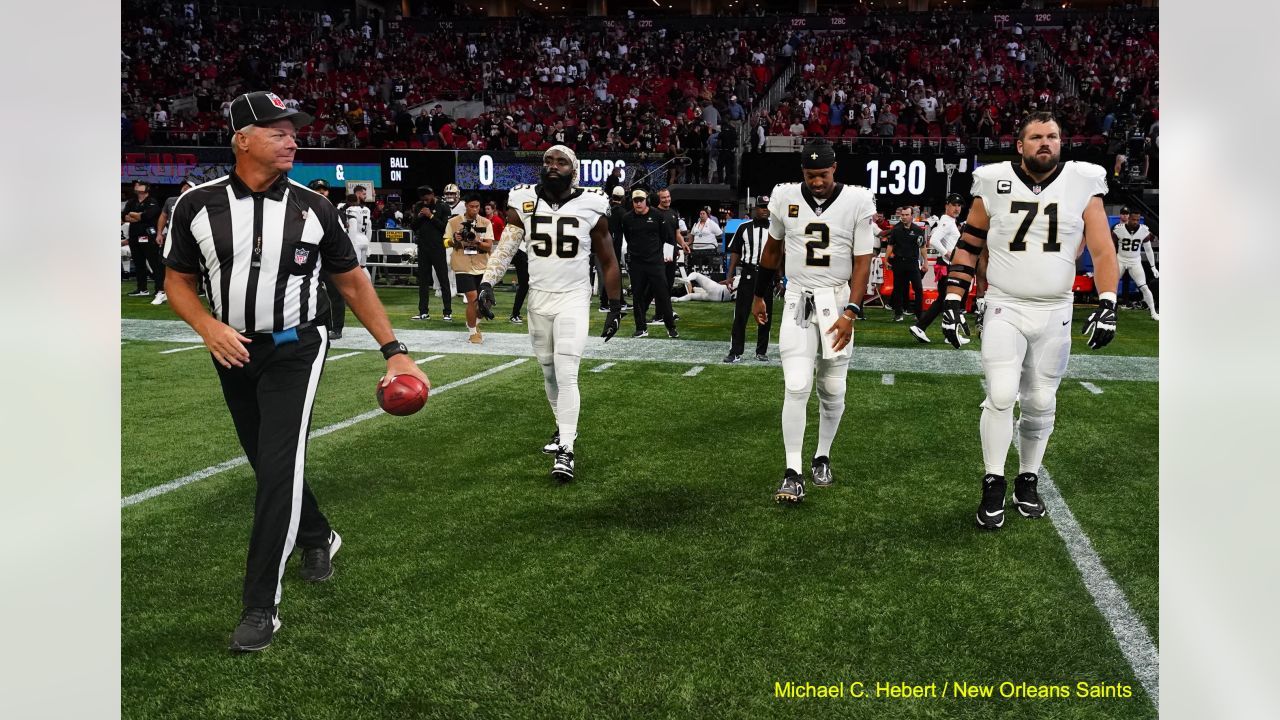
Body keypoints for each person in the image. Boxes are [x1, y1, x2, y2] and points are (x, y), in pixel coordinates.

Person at [161, 91, 429, 651]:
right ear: (242, 139)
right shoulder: (197, 205)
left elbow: (352, 280)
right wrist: (208, 328)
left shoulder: (313, 206)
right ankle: (318, 534)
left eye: (293, 131)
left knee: (279, 467)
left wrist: (394, 349)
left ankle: (261, 606)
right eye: (278, 131)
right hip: (230, 349)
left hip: (297, 347)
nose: (293, 139)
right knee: (266, 461)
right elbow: (177, 280)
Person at [934, 111, 1120, 530]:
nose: (1045, 143)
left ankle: (1028, 479)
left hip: (1056, 309)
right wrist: (952, 297)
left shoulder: (1083, 183)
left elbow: (1103, 249)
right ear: (1020, 145)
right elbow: (968, 243)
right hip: (1005, 304)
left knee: (1040, 401)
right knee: (1001, 394)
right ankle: (994, 480)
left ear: (1061, 142)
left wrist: (1107, 302)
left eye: (1052, 136)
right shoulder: (994, 180)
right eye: (1035, 137)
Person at [476, 145, 623, 482]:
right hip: (538, 298)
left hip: (573, 296)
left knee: (566, 369)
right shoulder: (524, 199)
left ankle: (567, 450)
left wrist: (615, 305)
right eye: (547, 161)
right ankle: (562, 427)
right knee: (548, 371)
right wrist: (487, 283)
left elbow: (608, 259)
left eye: (561, 162)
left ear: (574, 170)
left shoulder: (592, 202)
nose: (553, 166)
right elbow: (508, 245)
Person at [752, 138, 876, 503]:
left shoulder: (856, 201)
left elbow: (862, 260)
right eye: (810, 175)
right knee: (796, 384)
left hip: (836, 301)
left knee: (833, 387)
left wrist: (852, 310)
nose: (816, 182)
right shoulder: (785, 197)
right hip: (797, 299)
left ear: (835, 168)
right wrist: (760, 293)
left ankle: (822, 455)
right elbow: (772, 250)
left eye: (822, 174)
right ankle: (793, 471)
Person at [910, 193, 970, 343]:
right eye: (954, 205)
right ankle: (928, 329)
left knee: (945, 300)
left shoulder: (949, 221)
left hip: (948, 266)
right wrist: (946, 253)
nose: (957, 208)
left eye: (959, 205)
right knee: (949, 300)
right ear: (947, 206)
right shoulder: (947, 222)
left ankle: (929, 329)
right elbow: (934, 239)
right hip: (948, 267)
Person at [620, 189, 680, 338]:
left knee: (663, 294)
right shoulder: (627, 218)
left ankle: (670, 327)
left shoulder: (657, 215)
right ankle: (641, 328)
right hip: (637, 264)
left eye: (641, 200)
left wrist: (664, 255)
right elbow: (628, 237)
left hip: (655, 262)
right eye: (635, 201)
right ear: (632, 202)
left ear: (646, 200)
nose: (638, 203)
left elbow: (665, 236)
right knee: (637, 296)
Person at [724, 195, 775, 363]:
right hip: (748, 272)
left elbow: (780, 255)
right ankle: (735, 351)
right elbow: (735, 252)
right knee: (741, 312)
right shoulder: (743, 227)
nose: (765, 210)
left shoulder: (775, 229)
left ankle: (761, 351)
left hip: (767, 274)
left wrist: (781, 278)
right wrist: (730, 275)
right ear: (755, 209)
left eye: (767, 207)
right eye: (761, 207)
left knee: (765, 313)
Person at [445, 194, 495, 343]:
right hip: (462, 265)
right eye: (471, 206)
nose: (474, 209)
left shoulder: (485, 222)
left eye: (477, 207)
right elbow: (445, 242)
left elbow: (489, 246)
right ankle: (473, 332)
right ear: (466, 206)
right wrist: (455, 240)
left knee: (487, 301)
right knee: (473, 298)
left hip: (482, 265)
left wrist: (477, 241)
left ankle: (473, 322)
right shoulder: (453, 222)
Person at [305, 179, 348, 338]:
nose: (322, 192)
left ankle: (336, 328)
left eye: (324, 189)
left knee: (336, 295)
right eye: (318, 189)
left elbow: (341, 238)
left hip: (329, 260)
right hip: (310, 260)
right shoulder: (300, 211)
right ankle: (320, 326)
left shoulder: (335, 212)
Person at [408, 185, 453, 321]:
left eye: (426, 196)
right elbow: (413, 226)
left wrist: (431, 216)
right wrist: (421, 216)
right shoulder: (418, 206)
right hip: (423, 248)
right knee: (423, 282)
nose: (424, 200)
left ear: (432, 194)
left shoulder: (443, 207)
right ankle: (423, 312)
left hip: (438, 248)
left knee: (443, 280)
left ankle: (447, 312)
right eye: (422, 197)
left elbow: (445, 228)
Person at [152, 176, 198, 305]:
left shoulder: (198, 200)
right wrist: (159, 233)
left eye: (188, 186)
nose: (184, 187)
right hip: (172, 237)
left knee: (191, 266)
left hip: (192, 238)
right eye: (183, 186)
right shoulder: (171, 200)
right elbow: (163, 216)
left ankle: (190, 292)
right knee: (164, 263)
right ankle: (161, 291)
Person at [1112, 206, 1160, 320]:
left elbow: (1148, 249)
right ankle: (1109, 311)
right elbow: (1110, 246)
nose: (1135, 222)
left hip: (1135, 261)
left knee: (1144, 287)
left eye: (1137, 220)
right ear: (1128, 218)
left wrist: (1153, 266)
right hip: (1121, 260)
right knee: (1111, 286)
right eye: (1133, 219)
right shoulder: (1118, 229)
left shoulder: (1143, 230)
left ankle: (1153, 312)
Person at [487, 199, 528, 323]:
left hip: (520, 250)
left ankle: (515, 313)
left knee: (526, 285)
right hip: (520, 251)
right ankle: (514, 314)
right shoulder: (518, 219)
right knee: (525, 284)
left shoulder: (516, 217)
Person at [122, 180, 163, 298]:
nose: (137, 185)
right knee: (139, 263)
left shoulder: (152, 202)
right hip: (134, 236)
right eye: (136, 184)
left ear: (147, 188)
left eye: (140, 184)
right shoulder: (131, 201)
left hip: (148, 236)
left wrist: (136, 216)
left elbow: (147, 216)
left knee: (154, 263)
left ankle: (160, 289)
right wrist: (138, 216)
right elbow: (124, 216)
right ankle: (142, 288)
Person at [886, 205, 927, 322]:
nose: (903, 217)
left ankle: (919, 315)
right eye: (902, 215)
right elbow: (890, 245)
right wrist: (886, 259)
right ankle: (898, 314)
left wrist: (926, 262)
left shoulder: (918, 230)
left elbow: (923, 246)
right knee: (898, 289)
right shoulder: (896, 229)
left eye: (906, 215)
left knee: (918, 288)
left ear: (912, 216)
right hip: (899, 262)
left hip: (913, 263)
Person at [337, 185, 372, 278]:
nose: (365, 196)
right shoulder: (366, 209)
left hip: (355, 239)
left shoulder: (349, 209)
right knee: (363, 267)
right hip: (364, 239)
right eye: (364, 194)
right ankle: (369, 287)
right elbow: (369, 228)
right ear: (358, 194)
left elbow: (352, 225)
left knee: (353, 268)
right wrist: (368, 244)